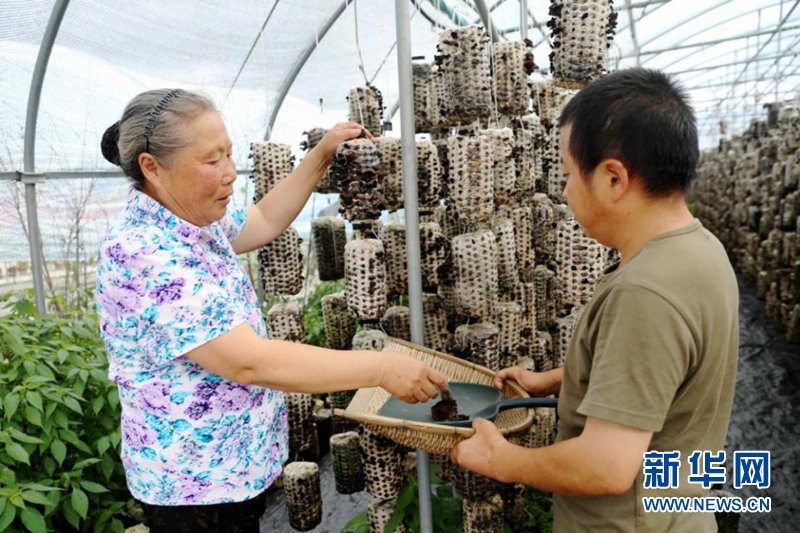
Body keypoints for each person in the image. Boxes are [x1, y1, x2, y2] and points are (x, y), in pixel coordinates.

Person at [96, 88, 447, 532]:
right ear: (152, 167)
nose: (229, 174)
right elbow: (247, 361)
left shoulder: (190, 221)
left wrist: (319, 157)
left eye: (229, 155)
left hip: (232, 473)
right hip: (195, 489)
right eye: (211, 161)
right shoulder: (144, 252)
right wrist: (379, 369)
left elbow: (262, 220)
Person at [450, 68, 739, 531]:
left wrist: (504, 460)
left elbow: (605, 466)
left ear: (612, 179)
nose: (565, 191)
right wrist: (561, 378)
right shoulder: (701, 249)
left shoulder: (645, 292)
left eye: (568, 175)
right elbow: (657, 371)